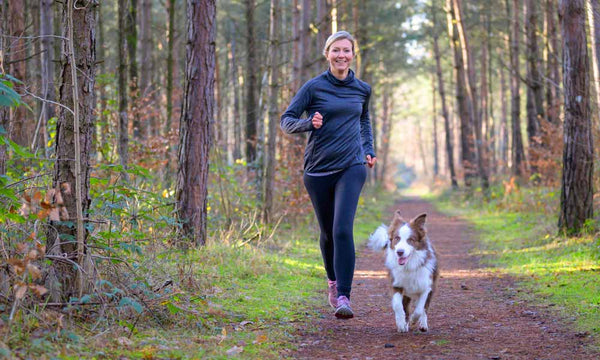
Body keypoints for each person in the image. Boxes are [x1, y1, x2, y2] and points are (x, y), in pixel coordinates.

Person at [280, 30, 376, 319]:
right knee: (327, 233)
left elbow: (364, 120)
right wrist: (309, 123)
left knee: (342, 229)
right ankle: (333, 283)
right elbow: (286, 121)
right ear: (327, 54)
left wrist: (368, 149)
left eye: (346, 50)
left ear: (353, 54)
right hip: (318, 169)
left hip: (352, 165)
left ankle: (345, 296)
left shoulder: (362, 89)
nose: (341, 55)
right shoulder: (313, 87)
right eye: (336, 50)